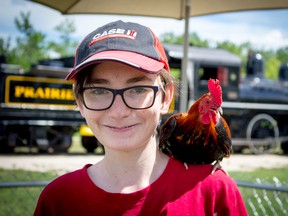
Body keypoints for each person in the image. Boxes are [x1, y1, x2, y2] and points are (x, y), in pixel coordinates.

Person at [34, 20, 248, 216]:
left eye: (137, 89)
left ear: (166, 97)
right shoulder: (57, 200)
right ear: (79, 102)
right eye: (99, 91)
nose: (119, 112)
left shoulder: (214, 191)